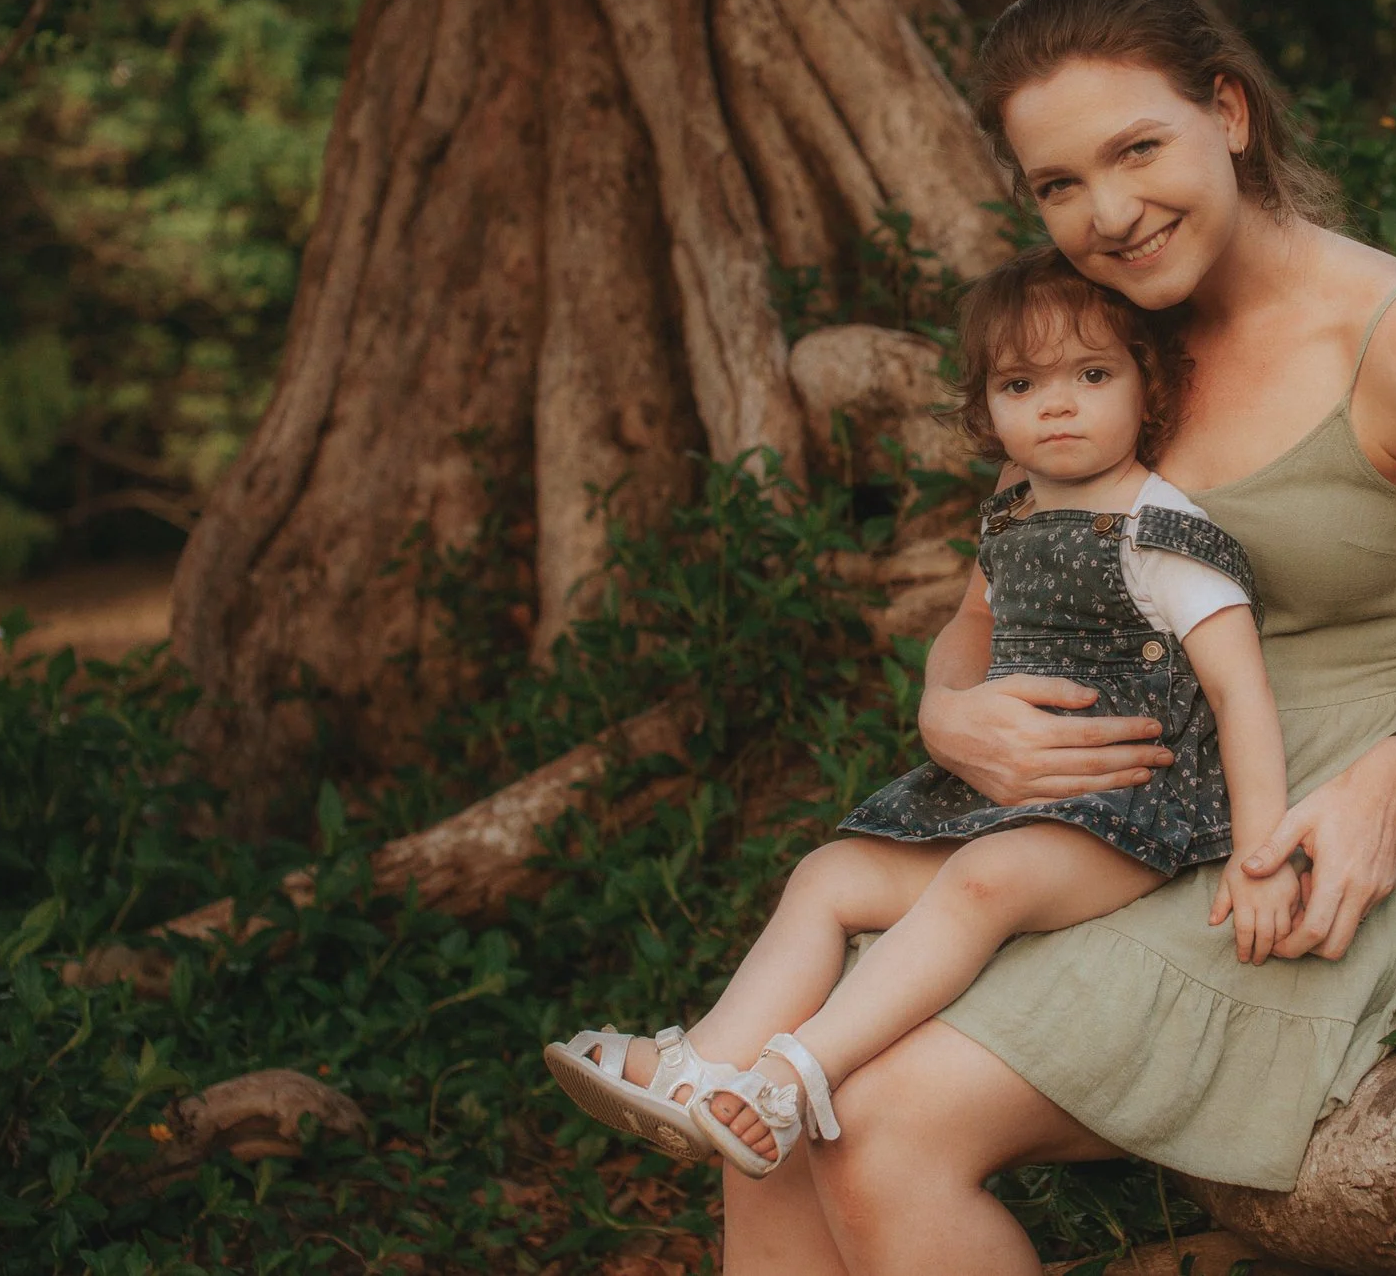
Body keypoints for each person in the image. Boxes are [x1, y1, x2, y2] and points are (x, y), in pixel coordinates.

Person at [597, 0, 1396, 1276]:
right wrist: (947, 713)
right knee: (770, 1120)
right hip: (1117, 810)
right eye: (1060, 184)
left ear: (1229, 114)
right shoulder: (1098, 351)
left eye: (1139, 149)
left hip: (1311, 837)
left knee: (876, 1121)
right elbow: (986, 593)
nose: (1109, 213)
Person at [543, 246, 1302, 1176]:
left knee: (984, 880)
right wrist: (950, 699)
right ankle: (704, 1064)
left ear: (1150, 389)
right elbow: (972, 619)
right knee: (828, 875)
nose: (1057, 404)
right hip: (1005, 793)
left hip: (1128, 810)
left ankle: (797, 1074)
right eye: (1022, 383)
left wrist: (1263, 857)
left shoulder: (1160, 530)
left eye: (1092, 375)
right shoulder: (1014, 506)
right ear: (985, 409)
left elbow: (1240, 690)